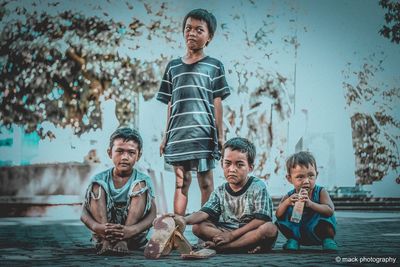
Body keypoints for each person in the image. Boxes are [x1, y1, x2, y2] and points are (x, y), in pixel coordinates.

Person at [157, 8, 231, 215]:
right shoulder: (172, 67)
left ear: (209, 37)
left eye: (199, 30)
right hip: (178, 135)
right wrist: (166, 136)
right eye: (188, 28)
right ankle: (177, 230)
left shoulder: (214, 66)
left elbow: (217, 102)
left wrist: (221, 136)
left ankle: (204, 228)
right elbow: (171, 104)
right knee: (181, 182)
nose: (192, 33)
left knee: (206, 182)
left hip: (204, 134)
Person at [173, 137, 278, 253]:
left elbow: (261, 220)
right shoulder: (220, 191)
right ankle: (243, 246)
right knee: (198, 227)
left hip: (250, 231)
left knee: (269, 228)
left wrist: (232, 236)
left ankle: (224, 247)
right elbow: (204, 213)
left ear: (250, 167)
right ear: (222, 164)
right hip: (226, 231)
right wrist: (183, 220)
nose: (232, 169)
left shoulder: (258, 187)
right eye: (227, 163)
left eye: (239, 165)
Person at [80, 127, 157, 255]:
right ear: (110, 153)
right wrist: (98, 228)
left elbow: (152, 214)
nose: (125, 157)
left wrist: (131, 231)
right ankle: (106, 241)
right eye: (120, 151)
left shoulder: (143, 180)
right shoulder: (100, 178)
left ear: (139, 155)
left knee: (140, 186)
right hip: (103, 234)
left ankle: (124, 241)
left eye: (131, 152)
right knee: (97, 185)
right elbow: (83, 213)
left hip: (133, 236)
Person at [275, 151, 338, 251]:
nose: (306, 181)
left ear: (316, 175)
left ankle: (328, 239)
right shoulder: (290, 195)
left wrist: (311, 204)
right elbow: (278, 214)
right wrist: (287, 202)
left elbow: (330, 210)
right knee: (282, 218)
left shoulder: (320, 191)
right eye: (300, 177)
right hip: (298, 229)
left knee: (327, 217)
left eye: (310, 176)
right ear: (289, 179)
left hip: (318, 228)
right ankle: (293, 240)